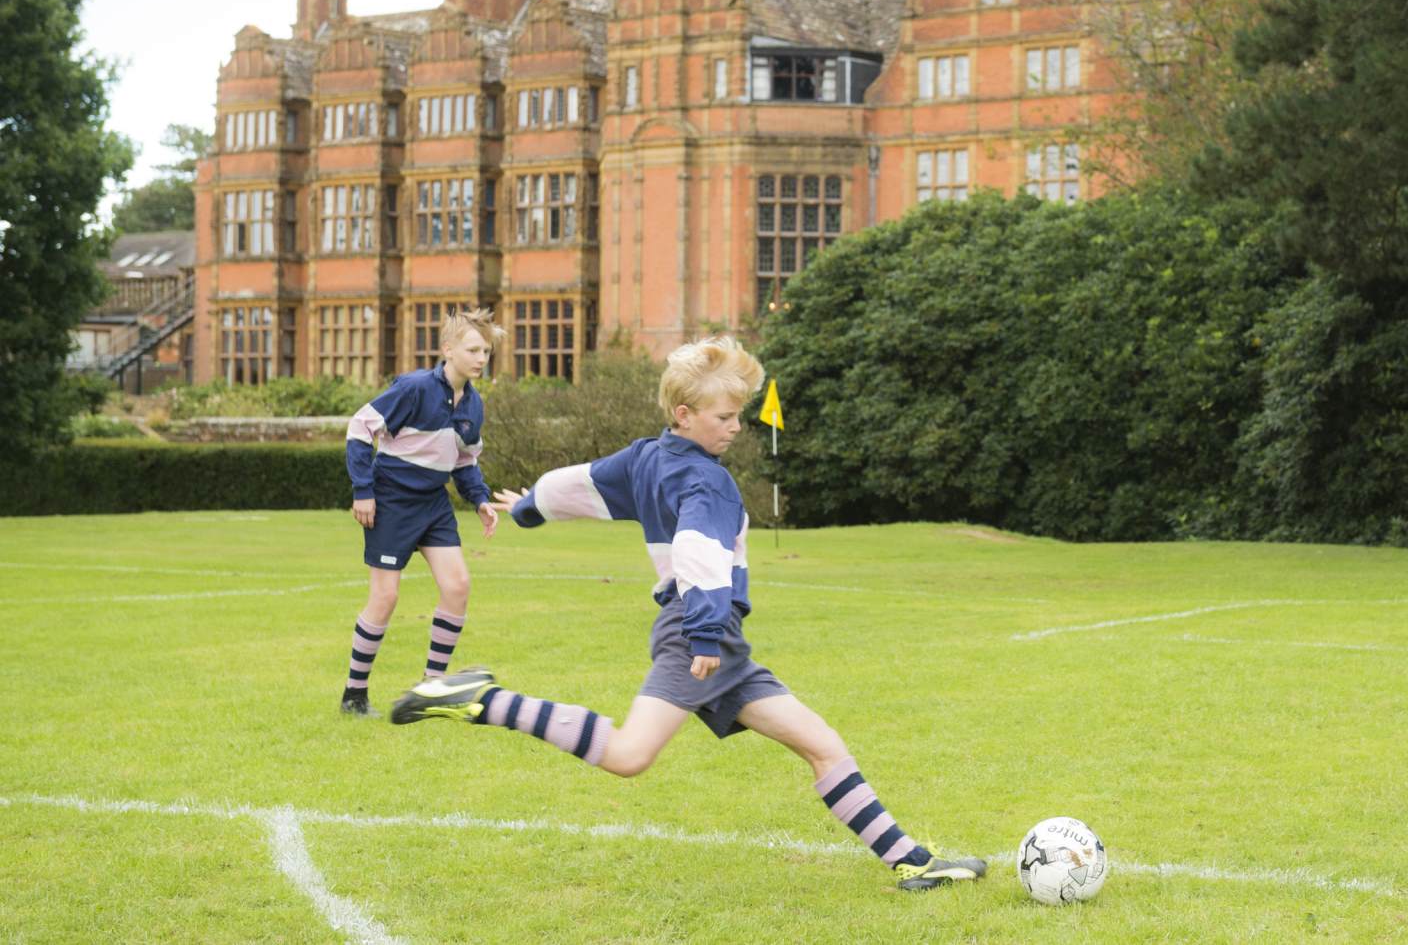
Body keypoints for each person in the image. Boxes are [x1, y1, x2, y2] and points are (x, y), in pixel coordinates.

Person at [389, 336, 987, 892]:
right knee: (628, 755)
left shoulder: (647, 457)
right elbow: (699, 551)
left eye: (736, 415)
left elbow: (581, 483)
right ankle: (480, 699)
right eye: (723, 417)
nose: (734, 428)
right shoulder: (708, 481)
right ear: (684, 413)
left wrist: (529, 509)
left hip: (717, 641)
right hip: (698, 635)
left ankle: (913, 863)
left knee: (823, 745)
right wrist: (703, 635)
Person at [338, 307, 504, 715]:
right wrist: (363, 491)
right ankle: (354, 695)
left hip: (434, 504)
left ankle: (431, 690)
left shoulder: (474, 405)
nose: (481, 358)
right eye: (473, 350)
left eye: (486, 351)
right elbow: (360, 429)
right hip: (390, 502)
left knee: (457, 586)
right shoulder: (413, 388)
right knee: (386, 597)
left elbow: (464, 461)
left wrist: (480, 499)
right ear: (447, 349)